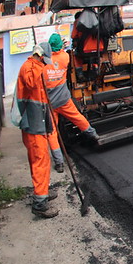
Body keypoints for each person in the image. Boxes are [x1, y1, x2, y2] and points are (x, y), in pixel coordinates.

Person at [43, 33, 99, 172]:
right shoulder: (65, 57)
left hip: (49, 103)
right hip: (64, 99)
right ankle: (93, 134)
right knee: (77, 117)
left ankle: (59, 162)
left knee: (52, 132)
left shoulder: (43, 63)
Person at [15, 43, 59, 219]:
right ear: (40, 56)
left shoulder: (35, 67)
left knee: (42, 160)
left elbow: (41, 97)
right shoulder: (29, 68)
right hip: (32, 125)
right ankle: (40, 204)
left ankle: (44, 191)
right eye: (44, 61)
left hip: (38, 122)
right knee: (40, 161)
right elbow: (32, 83)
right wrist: (39, 65)